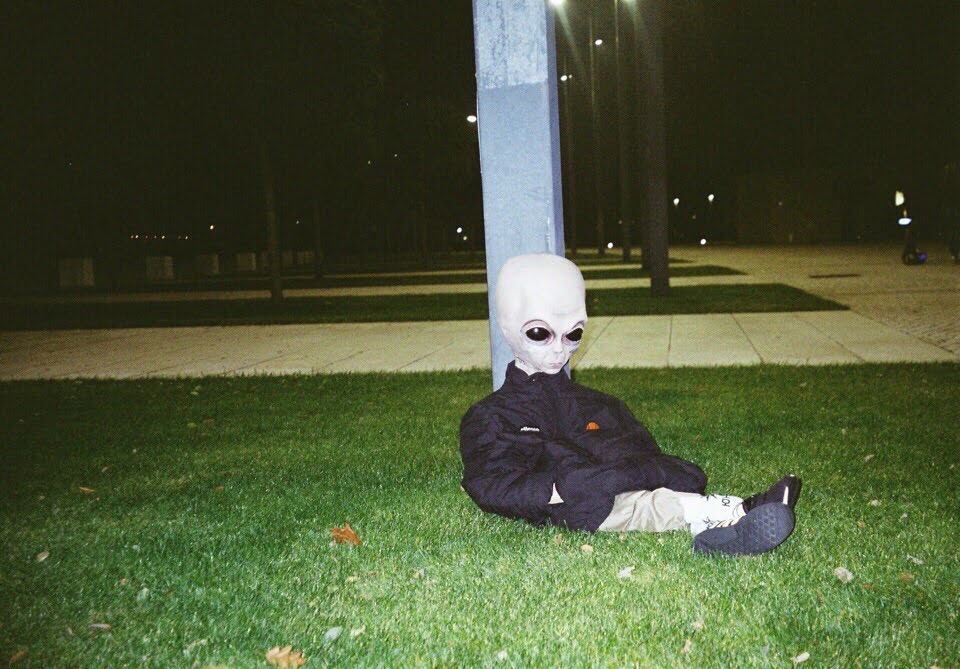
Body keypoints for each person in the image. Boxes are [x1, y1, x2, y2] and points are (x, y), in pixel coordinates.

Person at [460, 253, 800, 556]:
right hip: (581, 504)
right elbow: (489, 483)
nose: (559, 350)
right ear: (508, 326)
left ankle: (720, 528)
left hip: (622, 482)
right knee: (620, 504)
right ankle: (734, 511)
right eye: (539, 334)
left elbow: (641, 451)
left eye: (573, 334)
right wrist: (556, 489)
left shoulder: (599, 404)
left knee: (662, 483)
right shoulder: (492, 416)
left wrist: (650, 471)